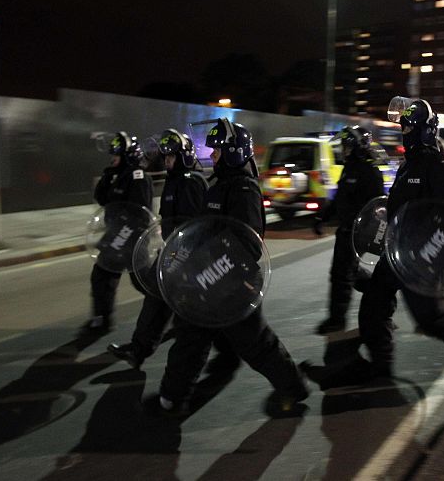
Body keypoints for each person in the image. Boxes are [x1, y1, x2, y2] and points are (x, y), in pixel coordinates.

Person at [157, 118, 308, 415]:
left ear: (234, 152)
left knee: (257, 345)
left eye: (217, 151)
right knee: (191, 338)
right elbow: (204, 228)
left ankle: (293, 387)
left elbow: (249, 243)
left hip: (233, 284)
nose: (212, 156)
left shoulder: (244, 189)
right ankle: (172, 396)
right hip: (208, 280)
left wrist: (213, 258)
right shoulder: (218, 186)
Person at [344, 99, 444, 380]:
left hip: (421, 257)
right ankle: (381, 365)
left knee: (433, 320)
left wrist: (430, 254)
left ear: (426, 130)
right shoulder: (408, 164)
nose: (405, 133)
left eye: (410, 127)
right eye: (403, 127)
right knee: (372, 308)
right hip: (397, 250)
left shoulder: (435, 163)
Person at [107, 128, 235, 370]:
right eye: (165, 157)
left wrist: (184, 256)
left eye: (171, 157)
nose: (167, 162)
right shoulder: (175, 180)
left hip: (189, 254)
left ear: (184, 156)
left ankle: (229, 350)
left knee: (191, 310)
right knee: (159, 298)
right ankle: (138, 350)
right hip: (174, 250)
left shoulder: (192, 182)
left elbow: (197, 225)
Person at [313, 125, 385, 335]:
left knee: (341, 275)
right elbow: (339, 198)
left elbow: (377, 206)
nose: (343, 150)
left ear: (356, 146)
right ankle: (381, 294)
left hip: (357, 233)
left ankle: (337, 321)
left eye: (346, 146)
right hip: (344, 230)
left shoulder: (369, 171)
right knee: (348, 274)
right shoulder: (349, 168)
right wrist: (322, 217)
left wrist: (367, 233)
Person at [81, 131, 153, 335]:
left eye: (117, 154)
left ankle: (169, 308)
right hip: (115, 236)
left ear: (128, 155)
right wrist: (107, 176)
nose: (112, 158)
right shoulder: (116, 176)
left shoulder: (138, 177)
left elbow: (140, 214)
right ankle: (103, 319)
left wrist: (121, 238)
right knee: (101, 277)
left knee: (143, 282)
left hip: (132, 240)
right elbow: (101, 199)